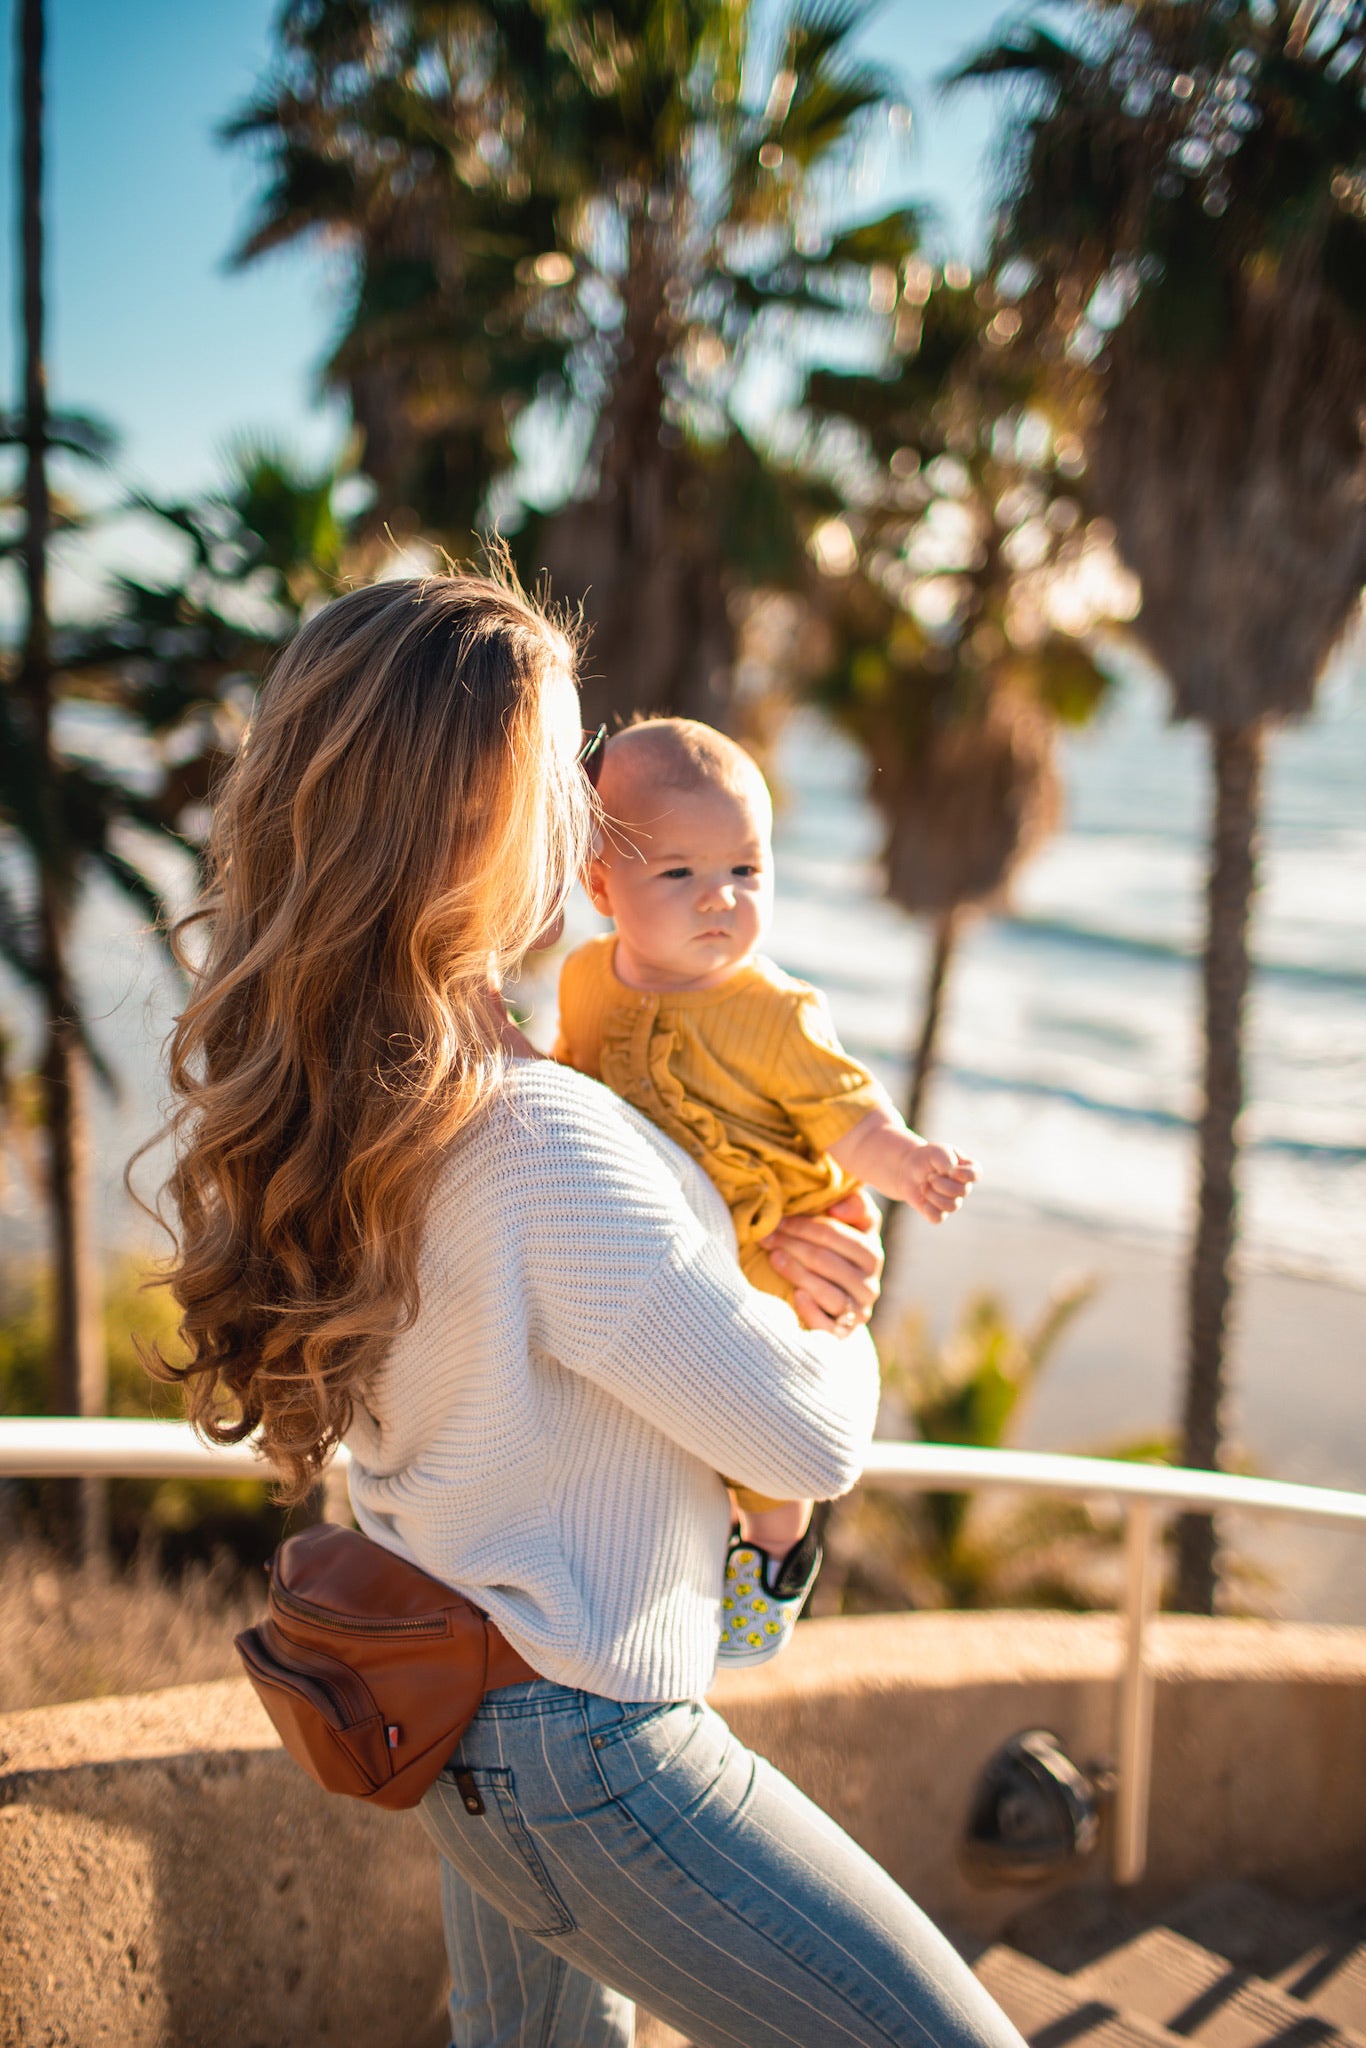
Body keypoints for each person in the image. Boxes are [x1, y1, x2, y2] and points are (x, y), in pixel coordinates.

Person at [150, 569, 1024, 2048]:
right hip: (591, 1754)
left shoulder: (362, 1097)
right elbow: (806, 1441)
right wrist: (832, 1285)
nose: (587, 806)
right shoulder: (534, 1138)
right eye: (559, 765)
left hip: (462, 1732)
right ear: (478, 818)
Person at [555, 717, 977, 1661]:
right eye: (679, 874)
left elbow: (849, 1116)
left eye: (747, 870)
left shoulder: (775, 1010)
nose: (722, 900)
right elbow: (567, 1076)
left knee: (763, 1434)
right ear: (600, 887)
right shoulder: (585, 980)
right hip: (673, 1244)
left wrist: (909, 1164)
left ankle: (780, 1553)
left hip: (775, 1237)